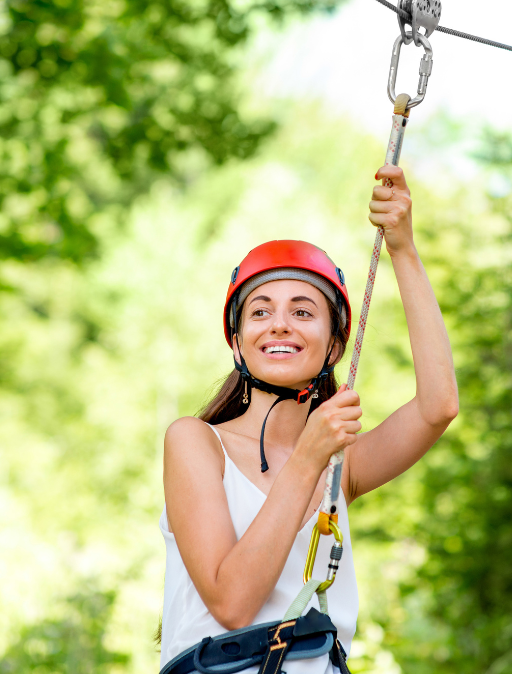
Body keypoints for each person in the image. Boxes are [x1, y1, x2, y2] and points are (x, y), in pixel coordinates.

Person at [159, 164, 459, 672]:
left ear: (334, 343)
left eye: (302, 311)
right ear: (236, 340)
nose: (279, 323)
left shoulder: (341, 465)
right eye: (260, 311)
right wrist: (308, 457)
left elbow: (438, 406)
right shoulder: (195, 442)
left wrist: (403, 249)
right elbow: (233, 604)